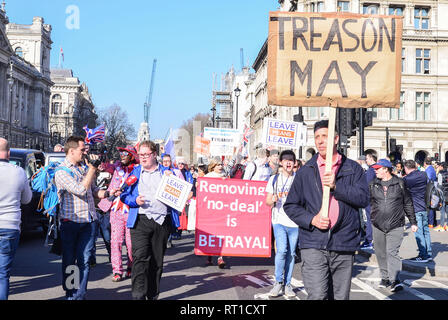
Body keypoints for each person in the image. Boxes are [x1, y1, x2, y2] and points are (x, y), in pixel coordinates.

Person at [284, 120, 369, 300]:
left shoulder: (353, 169)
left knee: (339, 297)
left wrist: (337, 187)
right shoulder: (306, 170)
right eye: (317, 137)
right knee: (317, 296)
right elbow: (291, 205)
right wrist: (311, 220)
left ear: (336, 139)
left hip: (343, 242)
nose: (320, 141)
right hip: (314, 242)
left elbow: (363, 199)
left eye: (325, 136)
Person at [54, 136, 117, 300]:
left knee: (85, 260)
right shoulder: (61, 171)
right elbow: (80, 190)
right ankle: (71, 293)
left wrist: (109, 193)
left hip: (89, 222)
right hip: (71, 223)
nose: (85, 153)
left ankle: (80, 295)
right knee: (70, 261)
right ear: (71, 151)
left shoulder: (83, 168)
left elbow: (93, 191)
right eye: (82, 150)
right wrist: (92, 170)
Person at [120, 140, 173, 300]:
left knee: (156, 262)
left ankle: (153, 295)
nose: (142, 158)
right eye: (140, 155)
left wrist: (174, 181)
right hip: (140, 221)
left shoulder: (166, 172)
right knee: (139, 259)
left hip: (161, 221)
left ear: (154, 154)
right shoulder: (134, 173)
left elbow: (181, 194)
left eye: (146, 155)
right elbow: (124, 195)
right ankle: (138, 295)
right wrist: (134, 201)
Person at [369, 159, 418, 292]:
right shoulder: (373, 184)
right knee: (380, 252)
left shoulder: (400, 183)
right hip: (377, 224)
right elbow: (367, 202)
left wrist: (413, 222)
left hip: (396, 224)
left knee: (392, 252)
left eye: (378, 168)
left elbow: (407, 203)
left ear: (386, 169)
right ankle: (385, 278)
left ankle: (395, 280)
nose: (375, 170)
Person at [98, 145, 139, 282]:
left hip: (131, 210)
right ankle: (117, 270)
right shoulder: (116, 167)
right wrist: (101, 156)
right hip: (116, 210)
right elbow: (105, 167)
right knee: (115, 242)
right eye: (120, 154)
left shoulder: (138, 170)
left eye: (125, 154)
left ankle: (131, 266)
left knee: (130, 243)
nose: (122, 156)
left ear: (132, 155)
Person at [0, 138, 32, 300]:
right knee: (3, 274)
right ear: (9, 153)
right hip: (9, 225)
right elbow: (27, 199)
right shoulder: (18, 171)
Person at [265, 150, 298, 298]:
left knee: (291, 253)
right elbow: (267, 201)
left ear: (294, 163)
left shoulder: (299, 180)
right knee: (282, 250)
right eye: (286, 160)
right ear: (281, 163)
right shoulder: (274, 179)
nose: (289, 162)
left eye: (291, 160)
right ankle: (278, 282)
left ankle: (288, 284)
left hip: (295, 223)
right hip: (278, 220)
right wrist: (273, 200)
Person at [403, 160, 432, 262]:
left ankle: (423, 255)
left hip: (415, 208)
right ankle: (428, 254)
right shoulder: (423, 175)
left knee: (418, 233)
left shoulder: (407, 179)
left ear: (406, 168)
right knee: (426, 231)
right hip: (424, 207)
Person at [204, 158, 227, 268]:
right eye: (217, 165)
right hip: (211, 209)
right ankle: (209, 255)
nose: (220, 167)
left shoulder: (225, 176)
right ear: (213, 166)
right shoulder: (208, 176)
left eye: (221, 164)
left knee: (220, 233)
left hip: (222, 208)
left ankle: (220, 257)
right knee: (211, 232)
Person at [359, 150, 377, 250]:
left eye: (366, 158)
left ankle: (369, 240)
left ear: (371, 157)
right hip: (376, 197)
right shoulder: (377, 168)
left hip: (370, 197)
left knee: (370, 219)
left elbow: (366, 184)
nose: (366, 160)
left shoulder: (371, 170)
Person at [424, 157, 437, 227]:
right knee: (433, 205)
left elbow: (428, 179)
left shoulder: (428, 169)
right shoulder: (432, 168)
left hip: (430, 188)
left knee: (430, 205)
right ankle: (433, 222)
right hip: (433, 187)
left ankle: (430, 223)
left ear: (425, 163)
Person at [436, 162, 448, 232]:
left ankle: (442, 225)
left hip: (442, 194)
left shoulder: (440, 174)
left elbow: (439, 186)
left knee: (442, 210)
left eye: (440, 166)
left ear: (442, 167)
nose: (438, 167)